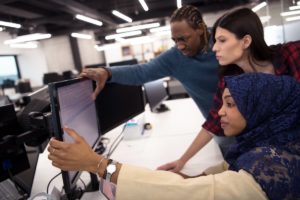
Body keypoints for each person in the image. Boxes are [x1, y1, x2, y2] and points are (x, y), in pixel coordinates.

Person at [48, 73, 300, 200]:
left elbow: (186, 194)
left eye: (231, 104)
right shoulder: (266, 143)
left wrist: (98, 165)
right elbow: (222, 172)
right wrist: (192, 176)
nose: (220, 112)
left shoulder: (270, 171)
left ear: (262, 107)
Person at [158, 7, 300, 172]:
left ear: (246, 42)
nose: (214, 48)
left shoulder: (292, 54)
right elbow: (213, 123)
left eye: (222, 40)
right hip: (275, 160)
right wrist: (182, 160)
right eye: (215, 41)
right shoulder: (232, 80)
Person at [81, 5, 219, 119]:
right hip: (219, 128)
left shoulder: (224, 42)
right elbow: (141, 72)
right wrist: (107, 72)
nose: (180, 46)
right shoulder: (175, 57)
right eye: (175, 40)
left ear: (200, 29)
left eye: (184, 39)